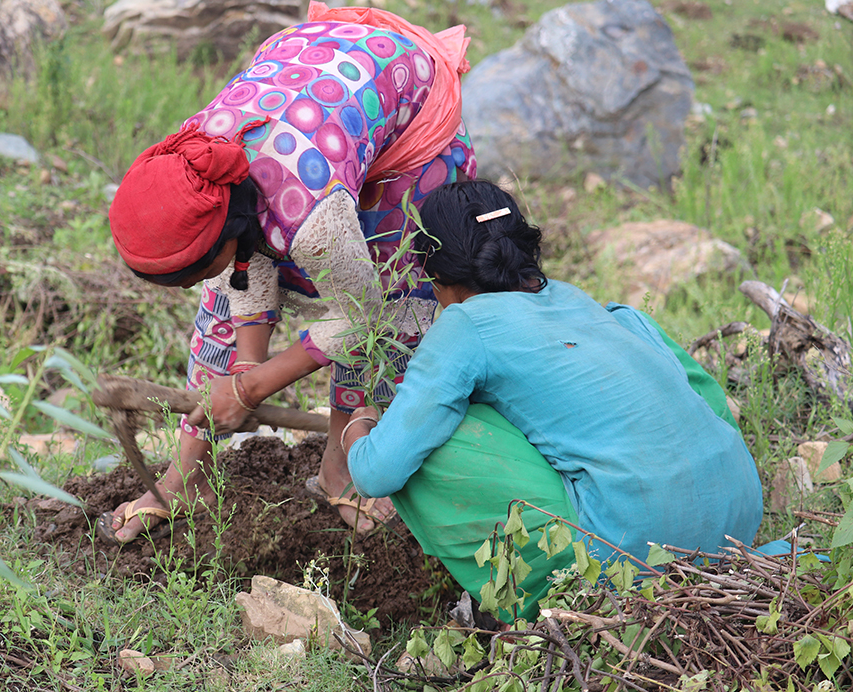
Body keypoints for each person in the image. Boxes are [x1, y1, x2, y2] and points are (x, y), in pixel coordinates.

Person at [103, 2, 478, 543]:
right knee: (222, 304)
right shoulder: (197, 161)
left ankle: (341, 463)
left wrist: (251, 389)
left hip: (405, 124)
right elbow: (242, 263)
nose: (184, 285)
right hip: (309, 93)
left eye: (188, 271)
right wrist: (246, 368)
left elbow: (362, 314)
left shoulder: (313, 216)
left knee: (385, 299)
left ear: (227, 227)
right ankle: (188, 478)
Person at [342, 179, 764, 622]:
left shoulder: (465, 323)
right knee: (630, 328)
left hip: (636, 552)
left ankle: (527, 598)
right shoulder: (577, 300)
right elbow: (707, 394)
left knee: (430, 437)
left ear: (434, 271)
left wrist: (361, 426)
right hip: (738, 523)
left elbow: (377, 472)